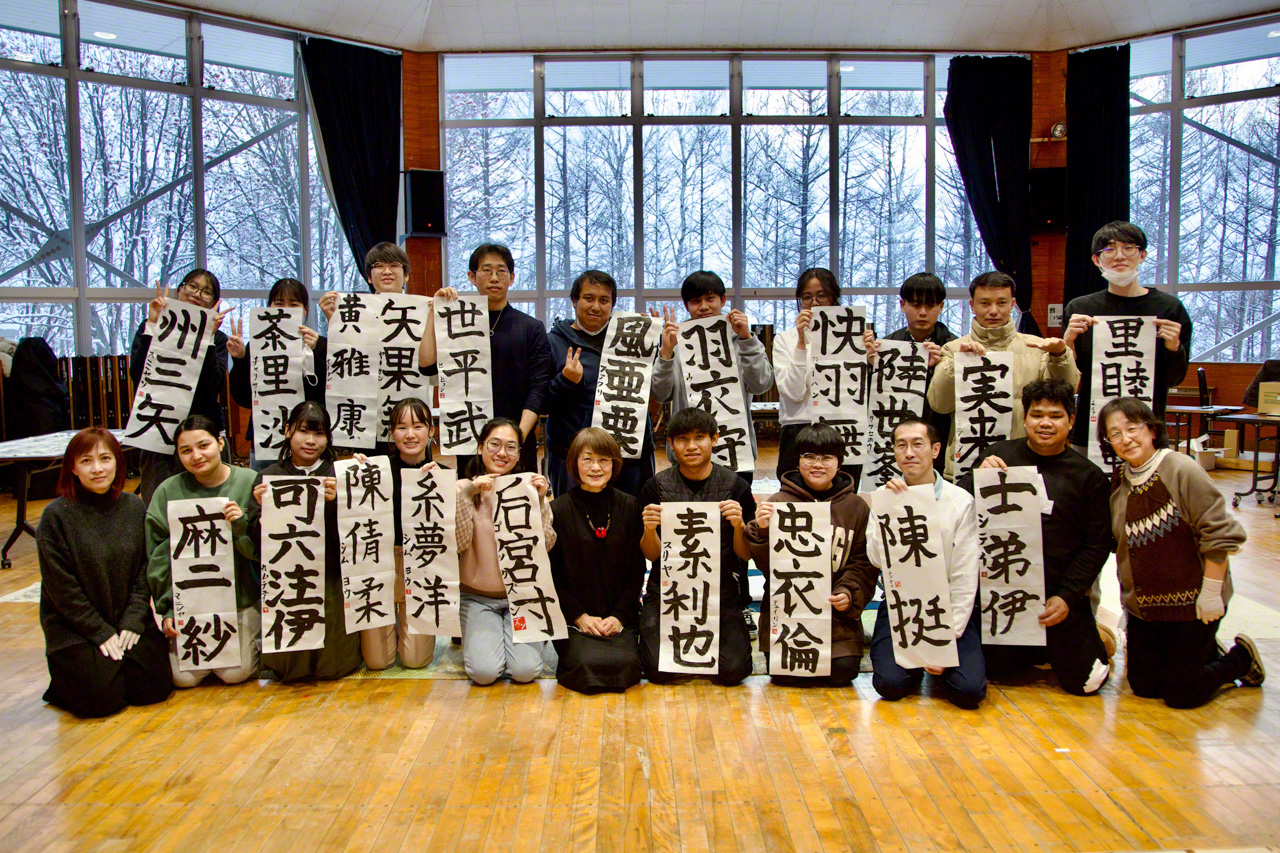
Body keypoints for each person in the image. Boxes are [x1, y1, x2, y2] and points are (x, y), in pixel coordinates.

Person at [1100, 397, 1264, 708]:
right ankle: (1203, 652)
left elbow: (1220, 534)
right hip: (1145, 610)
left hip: (1193, 604)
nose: (1126, 439)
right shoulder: (1121, 477)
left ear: (1151, 429)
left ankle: (1240, 659)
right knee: (1144, 687)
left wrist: (1212, 592)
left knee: (1181, 694)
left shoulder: (1180, 468)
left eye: (1132, 428)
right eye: (1115, 434)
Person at [956, 379, 1113, 695]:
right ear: (1024, 418)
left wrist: (1068, 595)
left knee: (1085, 684)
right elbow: (959, 507)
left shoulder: (1088, 476)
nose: (1045, 423)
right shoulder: (999, 455)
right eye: (1036, 414)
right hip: (1003, 592)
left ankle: (1098, 633)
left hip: (1057, 593)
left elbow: (1097, 544)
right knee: (995, 672)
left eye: (1055, 416)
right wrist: (977, 476)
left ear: (1071, 420)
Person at [651, 269, 773, 632]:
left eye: (711, 299)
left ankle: (738, 601)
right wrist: (667, 353)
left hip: (735, 455)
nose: (704, 307)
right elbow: (659, 394)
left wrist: (748, 339)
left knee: (737, 528)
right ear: (686, 306)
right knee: (688, 533)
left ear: (723, 301)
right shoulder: (678, 340)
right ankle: (686, 598)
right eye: (696, 301)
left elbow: (763, 382)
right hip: (687, 460)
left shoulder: (738, 338)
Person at [37, 428, 171, 717]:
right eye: (86, 461)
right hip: (75, 627)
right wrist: (97, 630)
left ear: (118, 463)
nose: (97, 469)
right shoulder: (55, 516)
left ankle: (111, 670)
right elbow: (61, 588)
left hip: (126, 622)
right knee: (101, 701)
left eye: (105, 458)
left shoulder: (133, 506)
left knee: (155, 688)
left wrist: (134, 619)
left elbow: (145, 568)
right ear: (72, 467)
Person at [865, 418, 986, 708]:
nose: (909, 453)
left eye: (917, 444)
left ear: (935, 449)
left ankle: (934, 665)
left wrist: (943, 641)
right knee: (889, 686)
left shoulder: (960, 501)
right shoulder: (884, 498)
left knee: (968, 692)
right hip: (900, 606)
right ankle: (913, 665)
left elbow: (965, 574)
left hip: (948, 608)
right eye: (901, 445)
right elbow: (876, 559)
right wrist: (891, 511)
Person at [745, 423, 877, 687]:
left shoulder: (856, 507)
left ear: (839, 463)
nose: (818, 464)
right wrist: (761, 531)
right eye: (809, 457)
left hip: (835, 614)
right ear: (798, 460)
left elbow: (863, 563)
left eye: (827, 457)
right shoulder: (778, 503)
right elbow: (765, 567)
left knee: (842, 671)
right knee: (784, 672)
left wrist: (848, 592)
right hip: (787, 614)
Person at [638, 407, 756, 687]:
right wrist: (649, 529)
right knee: (657, 670)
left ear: (714, 439)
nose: (691, 446)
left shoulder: (736, 486)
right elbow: (651, 555)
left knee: (734, 671)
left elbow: (746, 554)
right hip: (669, 592)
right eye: (682, 439)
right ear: (670, 444)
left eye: (699, 437)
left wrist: (739, 526)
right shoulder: (655, 487)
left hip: (720, 591)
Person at [926, 271, 1081, 482]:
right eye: (985, 303)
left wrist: (1059, 356)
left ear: (1013, 304)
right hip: (968, 461)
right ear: (972, 305)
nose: (993, 311)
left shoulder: (1036, 347)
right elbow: (939, 405)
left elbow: (1065, 392)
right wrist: (957, 362)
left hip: (1024, 461)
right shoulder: (953, 348)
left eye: (1001, 303)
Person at [246, 401, 361, 681]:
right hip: (286, 582)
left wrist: (343, 501)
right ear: (287, 431)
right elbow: (256, 542)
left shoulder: (340, 473)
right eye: (303, 431)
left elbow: (360, 533)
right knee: (290, 666)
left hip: (331, 577)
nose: (311, 441)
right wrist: (263, 514)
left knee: (332, 666)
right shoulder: (269, 476)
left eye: (319, 434)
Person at [145, 415, 261, 688]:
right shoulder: (167, 491)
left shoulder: (250, 481)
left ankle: (258, 640)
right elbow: (157, 557)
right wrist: (168, 608)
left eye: (203, 445)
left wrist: (240, 527)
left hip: (241, 600)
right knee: (182, 678)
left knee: (235, 674)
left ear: (220, 443)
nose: (196, 456)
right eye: (186, 450)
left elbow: (264, 551)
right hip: (192, 605)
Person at [423, 243, 554, 474]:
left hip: (517, 443)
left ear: (511, 278)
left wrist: (516, 439)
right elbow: (426, 366)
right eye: (486, 270)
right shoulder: (457, 325)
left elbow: (539, 388)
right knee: (474, 503)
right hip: (471, 441)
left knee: (517, 506)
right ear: (472, 276)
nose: (494, 277)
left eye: (501, 271)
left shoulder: (531, 327)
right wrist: (435, 313)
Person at [1064, 221, 1193, 454]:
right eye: (1109, 250)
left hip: (1148, 429)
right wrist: (1068, 343)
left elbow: (1174, 379)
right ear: (1096, 260)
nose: (1119, 256)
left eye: (1129, 248)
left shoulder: (1169, 308)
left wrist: (1174, 347)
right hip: (1090, 430)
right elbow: (1069, 378)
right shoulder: (1080, 308)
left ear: (1142, 255)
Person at [455, 417, 556, 685]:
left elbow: (547, 545)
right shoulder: (460, 488)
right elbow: (459, 543)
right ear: (480, 447)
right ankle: (485, 635)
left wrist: (542, 500)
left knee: (526, 671)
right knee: (484, 673)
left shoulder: (529, 488)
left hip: (523, 596)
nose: (502, 453)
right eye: (494, 445)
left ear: (519, 454)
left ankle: (520, 640)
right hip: (477, 597)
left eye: (511, 447)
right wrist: (469, 493)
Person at [545, 270, 659, 498]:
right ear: (575, 301)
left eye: (604, 300)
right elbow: (542, 402)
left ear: (612, 305)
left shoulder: (631, 340)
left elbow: (654, 391)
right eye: (589, 298)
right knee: (576, 525)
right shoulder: (553, 342)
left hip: (628, 452)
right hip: (573, 454)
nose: (596, 306)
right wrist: (566, 381)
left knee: (631, 520)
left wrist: (661, 347)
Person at [548, 427, 645, 694]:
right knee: (587, 664)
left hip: (618, 616)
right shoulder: (558, 510)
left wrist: (618, 616)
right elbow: (554, 575)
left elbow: (637, 571)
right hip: (574, 617)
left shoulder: (630, 506)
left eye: (604, 460)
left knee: (626, 664)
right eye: (587, 459)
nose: (595, 467)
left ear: (614, 464)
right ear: (573, 463)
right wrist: (579, 616)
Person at [319, 242, 436, 455]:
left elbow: (433, 368)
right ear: (369, 277)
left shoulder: (425, 311)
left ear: (407, 275)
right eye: (379, 266)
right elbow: (347, 367)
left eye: (394, 265)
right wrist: (335, 321)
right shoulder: (355, 315)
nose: (387, 271)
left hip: (412, 424)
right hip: (368, 423)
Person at [352, 398, 438, 671]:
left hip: (422, 564)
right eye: (401, 427)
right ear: (392, 432)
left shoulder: (442, 475)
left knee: (415, 660)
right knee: (377, 661)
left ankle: (407, 627)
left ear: (431, 431)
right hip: (380, 562)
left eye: (418, 426)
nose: (410, 434)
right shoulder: (374, 471)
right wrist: (354, 474)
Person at [130, 270, 230, 505]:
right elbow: (137, 375)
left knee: (212, 504)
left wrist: (207, 336)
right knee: (159, 503)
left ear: (214, 302)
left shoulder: (218, 338)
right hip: (158, 428)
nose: (197, 294)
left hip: (203, 429)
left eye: (206, 292)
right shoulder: (152, 326)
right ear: (179, 290)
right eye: (192, 287)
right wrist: (153, 322)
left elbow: (213, 386)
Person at [771, 268, 860, 482]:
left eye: (822, 295)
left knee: (841, 499)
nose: (815, 302)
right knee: (796, 500)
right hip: (798, 428)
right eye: (807, 297)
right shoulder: (785, 339)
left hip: (843, 425)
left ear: (834, 297)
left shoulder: (852, 336)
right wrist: (801, 342)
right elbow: (792, 393)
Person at [227, 278, 325, 469]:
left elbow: (325, 396)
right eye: (279, 304)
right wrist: (239, 360)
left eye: (294, 304)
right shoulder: (256, 346)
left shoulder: (318, 343)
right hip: (267, 439)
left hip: (310, 440)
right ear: (269, 307)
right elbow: (244, 399)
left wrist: (317, 353)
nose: (285, 309)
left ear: (305, 309)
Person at [877, 272, 959, 473]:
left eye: (930, 306)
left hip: (939, 434)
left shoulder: (954, 346)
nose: (922, 312)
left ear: (941, 306)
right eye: (915, 305)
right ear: (902, 305)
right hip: (898, 435)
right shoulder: (888, 345)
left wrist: (941, 368)